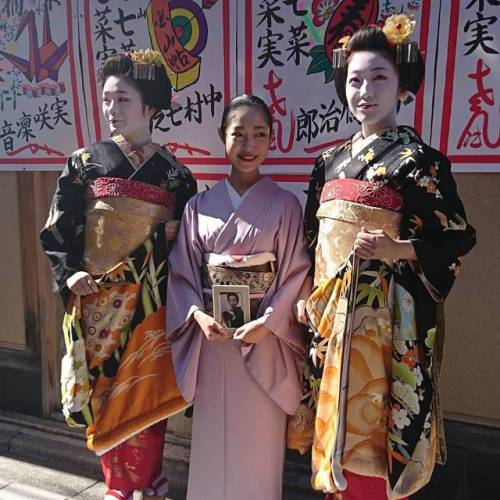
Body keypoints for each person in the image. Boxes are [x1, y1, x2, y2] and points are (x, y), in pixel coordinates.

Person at [289, 15, 477, 500]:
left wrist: (398, 249)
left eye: (378, 78)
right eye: (354, 81)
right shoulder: (327, 162)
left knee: (372, 434)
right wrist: (307, 292)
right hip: (329, 316)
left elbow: (454, 238)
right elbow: (313, 237)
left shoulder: (420, 162)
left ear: (402, 88)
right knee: (331, 436)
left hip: (385, 324)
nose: (364, 91)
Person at [40, 50, 197, 500]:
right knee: (106, 396)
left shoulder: (176, 176)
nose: (112, 109)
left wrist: (174, 234)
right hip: (98, 303)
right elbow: (59, 226)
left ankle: (148, 482)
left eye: (123, 99)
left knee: (146, 393)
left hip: (151, 307)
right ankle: (118, 487)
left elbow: (192, 241)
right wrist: (69, 275)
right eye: (108, 100)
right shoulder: (84, 163)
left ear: (149, 105)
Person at [166, 94, 311, 500]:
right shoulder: (198, 206)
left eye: (259, 134)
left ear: (271, 140)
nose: (249, 145)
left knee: (257, 448)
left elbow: (297, 273)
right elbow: (182, 273)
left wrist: (268, 324)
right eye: (239, 134)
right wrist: (197, 315)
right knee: (213, 442)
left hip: (263, 338)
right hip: (213, 342)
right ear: (222, 138)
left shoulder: (285, 205)